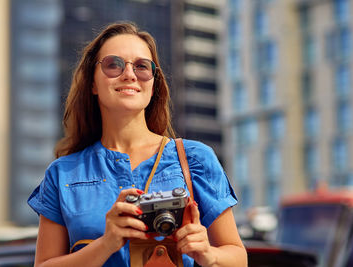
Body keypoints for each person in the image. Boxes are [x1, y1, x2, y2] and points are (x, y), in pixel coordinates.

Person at [28, 21, 247, 267]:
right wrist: (106, 243)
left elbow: (238, 257)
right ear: (92, 83)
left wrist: (209, 254)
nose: (129, 74)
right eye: (113, 65)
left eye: (142, 67)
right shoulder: (62, 173)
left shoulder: (195, 159)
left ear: (153, 84)